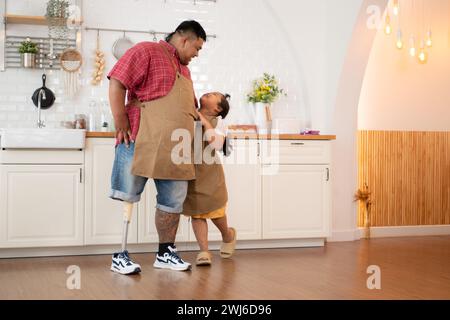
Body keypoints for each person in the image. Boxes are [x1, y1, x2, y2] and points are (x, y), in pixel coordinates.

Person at [108, 20, 206, 275]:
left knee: (173, 201)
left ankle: (165, 252)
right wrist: (120, 120)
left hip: (177, 146)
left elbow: (190, 109)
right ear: (184, 38)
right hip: (140, 137)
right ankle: (120, 254)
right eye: (197, 48)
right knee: (128, 195)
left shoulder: (185, 71)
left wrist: (211, 128)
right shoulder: (146, 51)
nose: (197, 54)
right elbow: (117, 81)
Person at [183, 92, 237, 266]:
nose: (209, 92)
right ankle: (204, 251)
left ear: (217, 108)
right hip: (191, 173)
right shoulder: (189, 114)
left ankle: (228, 235)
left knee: (216, 212)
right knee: (197, 213)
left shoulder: (219, 122)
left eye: (214, 94)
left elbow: (218, 144)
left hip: (210, 175)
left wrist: (203, 121)